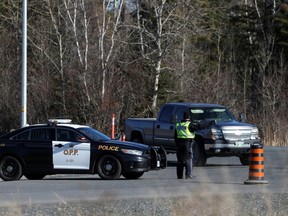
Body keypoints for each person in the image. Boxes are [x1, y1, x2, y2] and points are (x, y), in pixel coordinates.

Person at [175, 112, 196, 179]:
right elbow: (199, 127)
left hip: (179, 144)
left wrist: (177, 144)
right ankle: (188, 174)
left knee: (180, 160)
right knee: (189, 158)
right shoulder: (190, 124)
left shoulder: (178, 124)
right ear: (189, 117)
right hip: (188, 143)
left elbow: (175, 136)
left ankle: (179, 176)